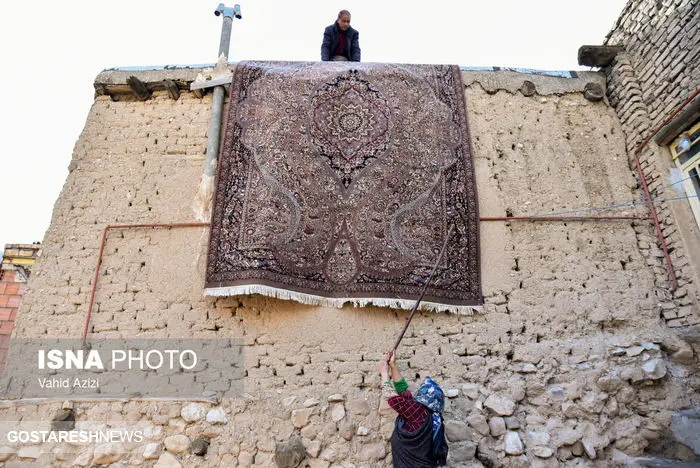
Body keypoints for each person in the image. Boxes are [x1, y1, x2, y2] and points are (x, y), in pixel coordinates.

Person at [379, 351, 449, 467]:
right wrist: (393, 366)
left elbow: (392, 398)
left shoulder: (419, 413)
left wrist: (384, 375)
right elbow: (403, 392)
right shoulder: (426, 414)